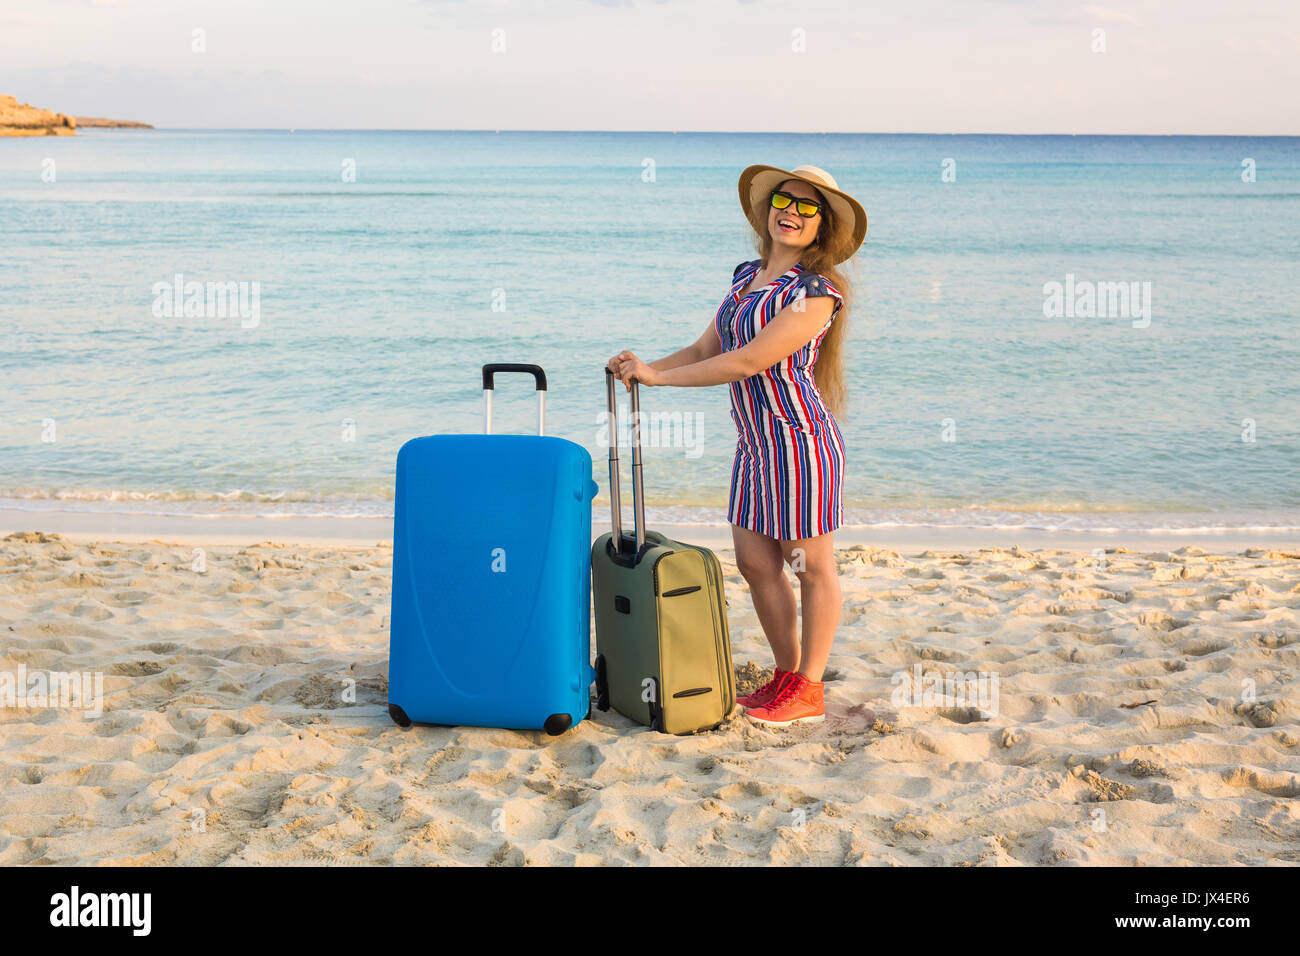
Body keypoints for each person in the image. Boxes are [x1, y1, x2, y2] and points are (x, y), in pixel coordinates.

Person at [608, 164, 867, 726]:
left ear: (822, 226)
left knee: (809, 565)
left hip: (800, 443)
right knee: (755, 564)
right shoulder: (746, 276)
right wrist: (647, 367)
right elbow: (707, 346)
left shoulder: (816, 294)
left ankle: (811, 689)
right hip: (753, 446)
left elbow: (750, 360)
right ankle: (786, 675)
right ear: (768, 207)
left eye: (807, 207)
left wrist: (661, 382)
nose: (791, 213)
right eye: (784, 199)